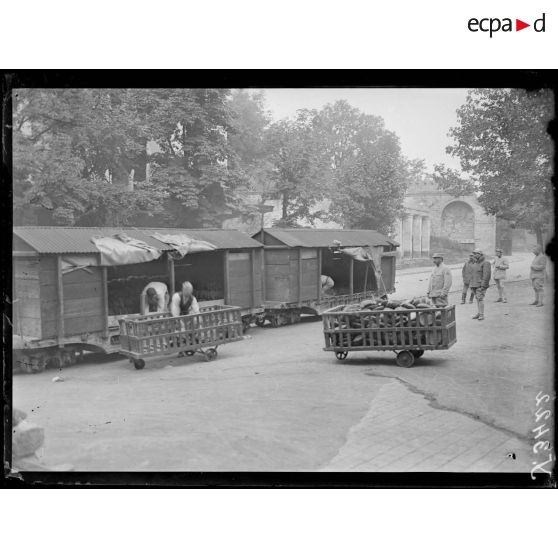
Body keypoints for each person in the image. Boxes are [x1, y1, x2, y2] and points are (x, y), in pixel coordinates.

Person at [469, 249, 491, 321]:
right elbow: (473, 275)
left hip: (481, 285)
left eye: (476, 253)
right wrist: (471, 285)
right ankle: (479, 313)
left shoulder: (486, 263)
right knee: (478, 299)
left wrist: (483, 286)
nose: (474, 255)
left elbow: (486, 275)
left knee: (480, 299)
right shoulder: (475, 263)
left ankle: (481, 314)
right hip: (474, 285)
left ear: (480, 254)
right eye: (474, 254)